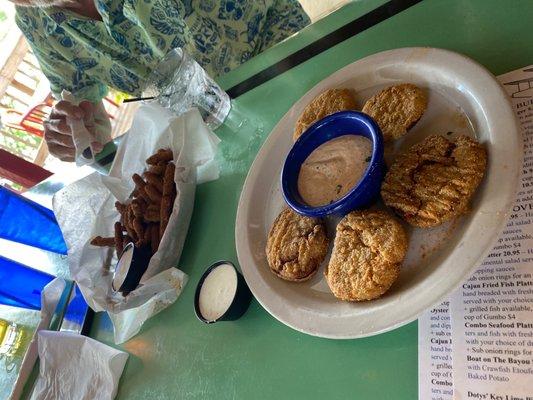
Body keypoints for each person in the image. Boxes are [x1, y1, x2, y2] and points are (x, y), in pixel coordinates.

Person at [12, 0, 310, 161]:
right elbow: (84, 110)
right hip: (215, 133)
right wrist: (78, 132)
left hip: (281, 52)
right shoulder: (35, 22)